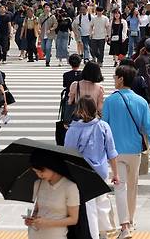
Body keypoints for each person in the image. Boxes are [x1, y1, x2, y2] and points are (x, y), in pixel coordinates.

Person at [102, 65, 150, 239]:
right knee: (132, 188)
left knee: (119, 188)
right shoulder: (141, 101)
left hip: (115, 152)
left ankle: (124, 226)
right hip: (135, 151)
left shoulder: (110, 101)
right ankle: (131, 220)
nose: (113, 79)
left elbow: (104, 127)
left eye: (115, 77)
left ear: (121, 79)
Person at [64, 96, 119, 239]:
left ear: (80, 110)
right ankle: (104, 233)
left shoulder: (74, 129)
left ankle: (93, 235)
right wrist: (115, 173)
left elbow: (68, 154)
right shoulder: (103, 126)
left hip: (83, 173)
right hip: (101, 172)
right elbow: (111, 152)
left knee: (90, 208)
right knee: (102, 203)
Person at [25, 149, 80, 239]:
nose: (39, 175)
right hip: (35, 234)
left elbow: (74, 219)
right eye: (36, 172)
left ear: (52, 166)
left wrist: (48, 223)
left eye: (41, 171)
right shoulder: (38, 184)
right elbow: (36, 210)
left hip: (56, 235)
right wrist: (31, 219)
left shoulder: (70, 187)